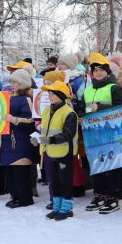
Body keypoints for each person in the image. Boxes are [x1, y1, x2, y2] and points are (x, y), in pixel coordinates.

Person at [81, 53, 122, 214]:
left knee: (112, 165)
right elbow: (82, 108)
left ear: (107, 71)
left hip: (111, 133)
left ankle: (113, 196)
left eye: (101, 70)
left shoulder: (114, 88)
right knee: (96, 164)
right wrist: (81, 117)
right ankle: (99, 194)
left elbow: (121, 110)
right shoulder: (87, 91)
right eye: (95, 70)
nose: (98, 73)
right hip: (93, 134)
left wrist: (99, 108)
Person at [33, 81, 78, 221]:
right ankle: (57, 207)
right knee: (54, 181)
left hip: (64, 153)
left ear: (60, 95)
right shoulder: (47, 111)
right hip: (49, 152)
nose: (50, 96)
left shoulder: (69, 113)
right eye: (49, 94)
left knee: (65, 181)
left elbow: (67, 135)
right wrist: (39, 139)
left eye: (52, 94)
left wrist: (47, 140)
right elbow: (45, 130)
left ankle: (66, 209)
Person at [0, 68, 37, 208]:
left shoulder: (27, 99)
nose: (12, 84)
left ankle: (25, 198)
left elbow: (31, 120)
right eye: (11, 81)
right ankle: (15, 196)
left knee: (20, 172)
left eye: (15, 82)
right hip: (8, 140)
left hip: (21, 140)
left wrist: (14, 119)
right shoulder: (8, 97)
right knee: (10, 172)